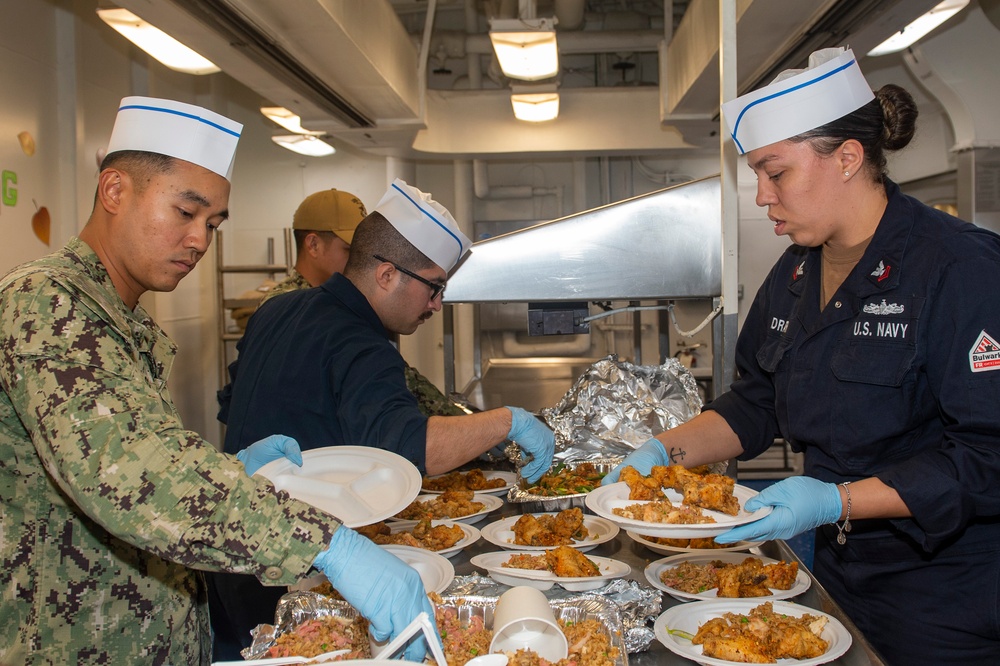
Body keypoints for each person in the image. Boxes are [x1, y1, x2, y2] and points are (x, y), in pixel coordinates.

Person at [0, 97, 436, 665]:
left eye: (212, 224)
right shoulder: (48, 303)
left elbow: (137, 449)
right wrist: (327, 543)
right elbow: (132, 473)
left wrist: (231, 472)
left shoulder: (122, 317)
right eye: (185, 213)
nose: (201, 241)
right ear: (114, 191)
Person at [604, 48, 1000, 664]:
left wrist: (837, 499)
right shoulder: (796, 270)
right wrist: (659, 455)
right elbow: (757, 400)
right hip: (833, 570)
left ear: (848, 157)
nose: (762, 196)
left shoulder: (961, 270)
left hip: (943, 595)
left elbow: (989, 457)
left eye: (776, 172)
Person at [208, 179, 556, 652]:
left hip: (232, 558)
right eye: (434, 287)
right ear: (387, 274)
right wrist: (508, 421)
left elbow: (230, 405)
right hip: (298, 580)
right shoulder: (362, 344)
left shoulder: (276, 310)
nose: (437, 304)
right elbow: (411, 446)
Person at [258, 187, 469, 418]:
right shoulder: (286, 305)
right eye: (349, 249)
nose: (360, 257)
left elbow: (406, 381)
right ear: (313, 244)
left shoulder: (347, 307)